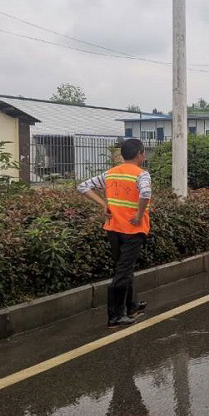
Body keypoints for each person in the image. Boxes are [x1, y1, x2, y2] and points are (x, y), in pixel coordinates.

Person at [78, 137, 152, 328]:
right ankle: (115, 316)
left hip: (113, 229)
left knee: (125, 268)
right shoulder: (141, 175)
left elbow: (83, 186)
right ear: (139, 155)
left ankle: (132, 306)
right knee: (123, 272)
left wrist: (104, 204)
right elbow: (145, 194)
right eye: (143, 153)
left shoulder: (110, 174)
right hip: (132, 230)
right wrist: (139, 214)